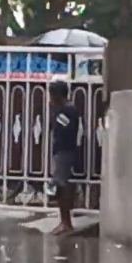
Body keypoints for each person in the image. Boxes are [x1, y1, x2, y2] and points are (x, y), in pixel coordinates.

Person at [47, 80, 79, 235]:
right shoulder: (65, 109)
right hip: (62, 152)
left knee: (62, 185)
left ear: (58, 95)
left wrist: (55, 112)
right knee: (60, 185)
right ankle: (64, 222)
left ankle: (66, 222)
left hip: (65, 152)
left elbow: (63, 129)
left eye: (52, 95)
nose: (51, 98)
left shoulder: (67, 110)